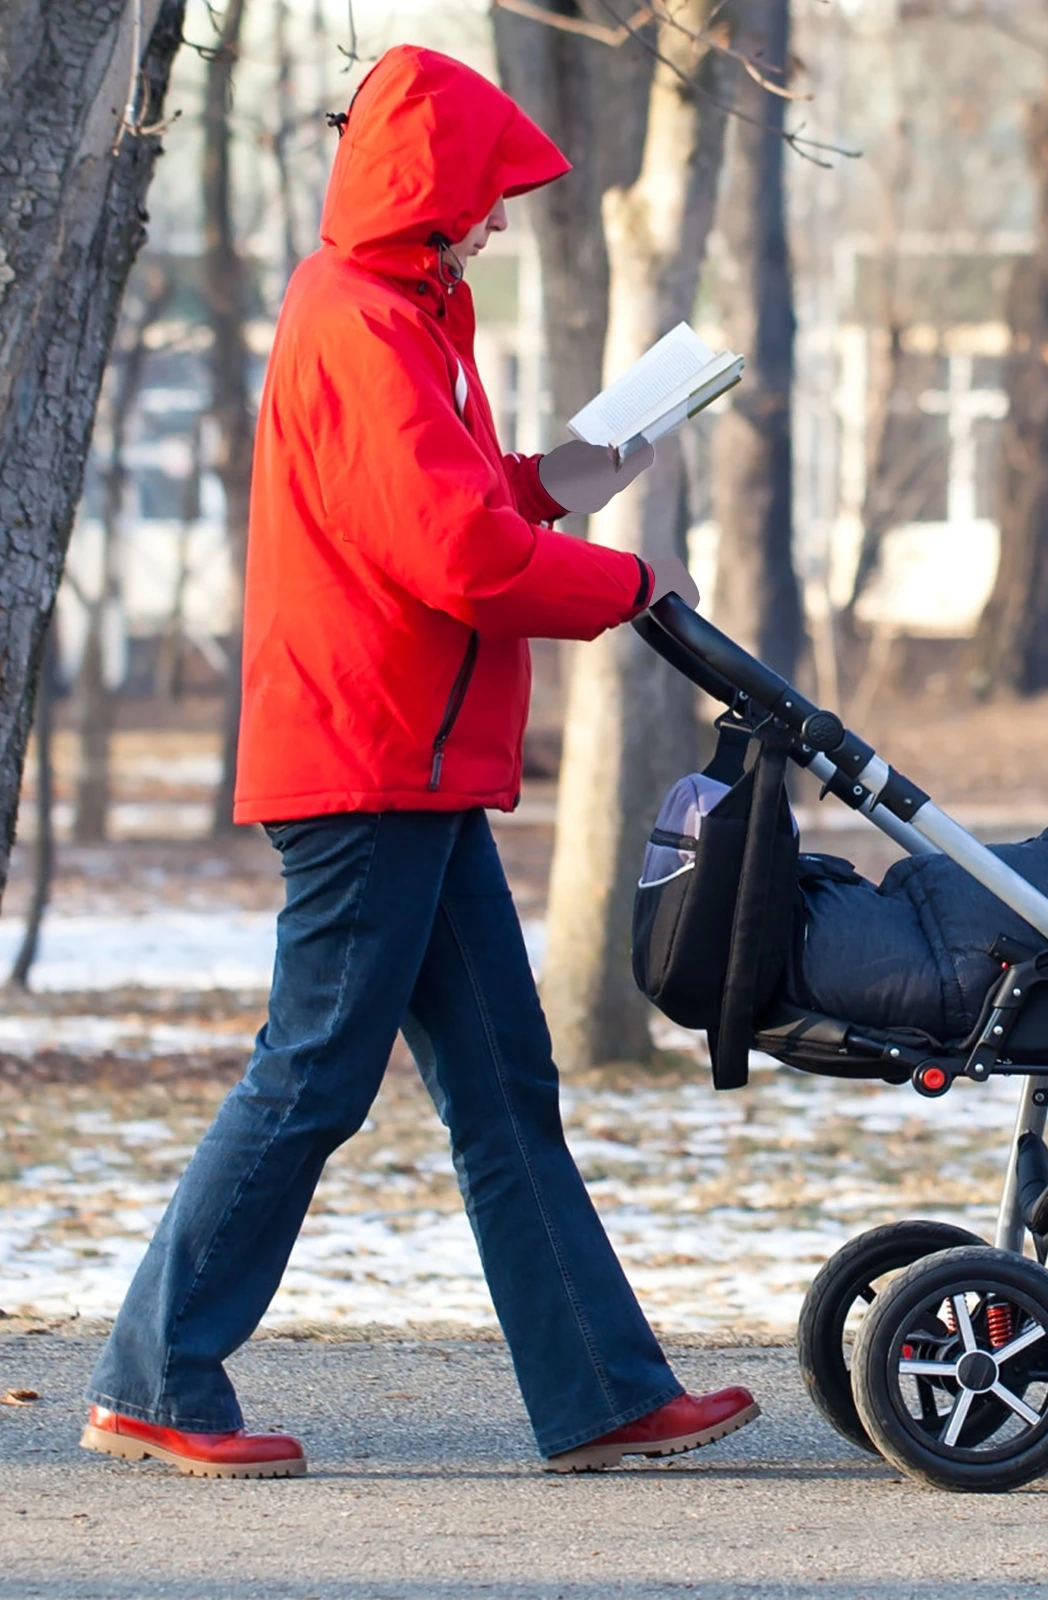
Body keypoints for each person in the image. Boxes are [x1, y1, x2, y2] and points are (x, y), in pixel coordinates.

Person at [80, 44, 756, 1479]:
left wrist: (571, 475)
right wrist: (614, 581)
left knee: (505, 1085)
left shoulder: (408, 316)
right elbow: (451, 557)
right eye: (489, 193)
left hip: (417, 764)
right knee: (316, 1072)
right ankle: (153, 1372)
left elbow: (461, 503)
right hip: (363, 757)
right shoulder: (359, 324)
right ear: (431, 190)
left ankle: (599, 1392)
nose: (501, 220)